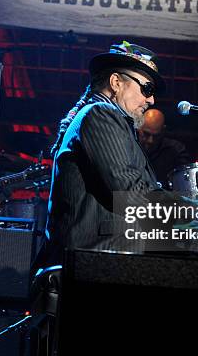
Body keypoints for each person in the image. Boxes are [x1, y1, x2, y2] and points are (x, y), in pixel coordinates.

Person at [45, 41, 167, 261]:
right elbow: (129, 193)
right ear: (116, 82)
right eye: (146, 89)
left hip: (104, 258)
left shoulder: (105, 117)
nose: (151, 100)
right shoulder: (101, 114)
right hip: (97, 260)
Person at [138, 108, 191, 189]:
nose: (150, 141)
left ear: (163, 131)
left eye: (156, 136)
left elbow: (185, 184)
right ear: (138, 127)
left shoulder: (176, 150)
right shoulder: (128, 146)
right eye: (146, 134)